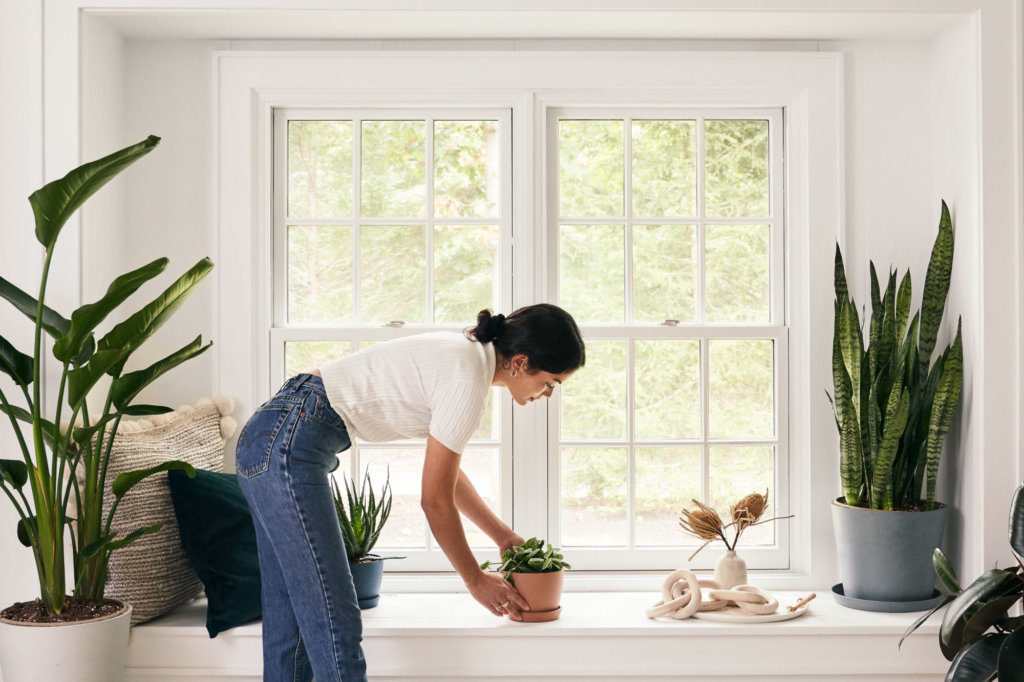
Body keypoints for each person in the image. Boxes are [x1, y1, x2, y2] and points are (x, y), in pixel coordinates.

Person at [235, 303, 586, 682]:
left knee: (289, 619)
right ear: (520, 362)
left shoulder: (464, 356)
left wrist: (503, 537)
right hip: (291, 441)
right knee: (334, 615)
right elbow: (434, 501)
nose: (548, 394)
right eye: (551, 382)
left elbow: (447, 479)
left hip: (268, 436)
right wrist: (475, 580)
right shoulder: (467, 381)